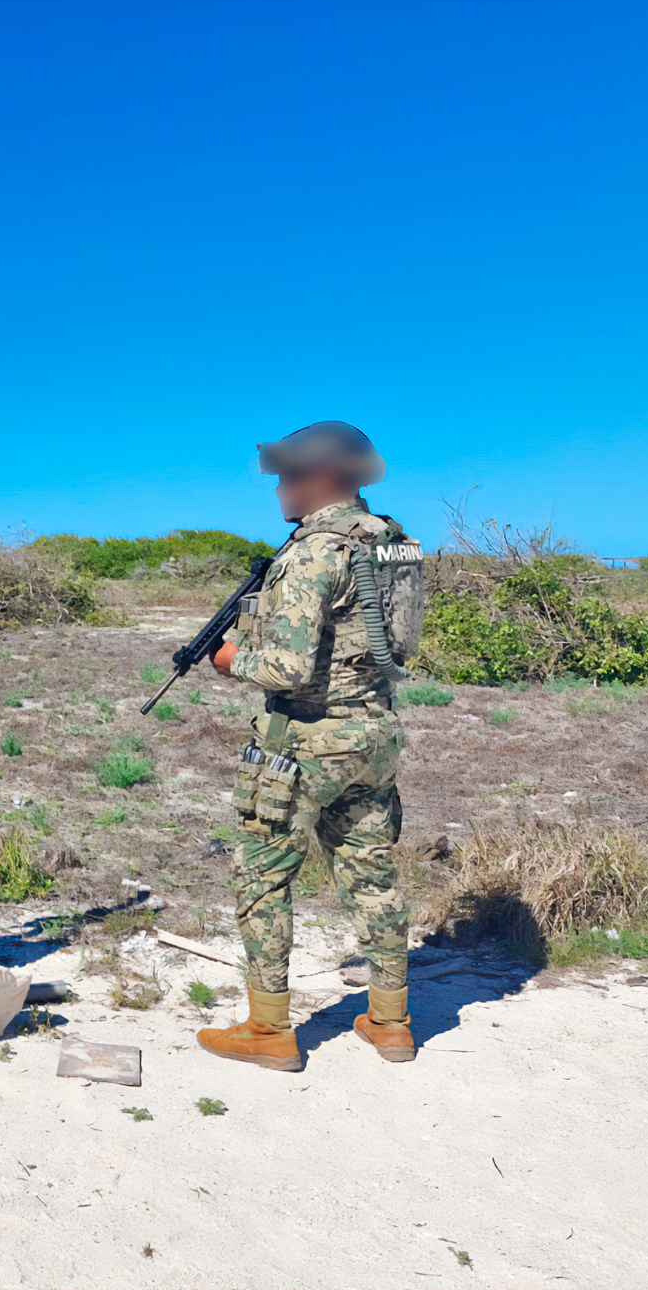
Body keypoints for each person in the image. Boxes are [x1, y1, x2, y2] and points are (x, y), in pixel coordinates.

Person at [199, 421, 418, 1071]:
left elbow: (286, 670)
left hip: (305, 742)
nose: (280, 489)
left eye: (290, 475)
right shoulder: (397, 543)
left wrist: (229, 660)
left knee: (263, 878)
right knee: (372, 875)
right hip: (373, 735)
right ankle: (391, 1022)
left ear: (326, 477)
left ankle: (268, 1030)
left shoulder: (313, 552)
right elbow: (401, 645)